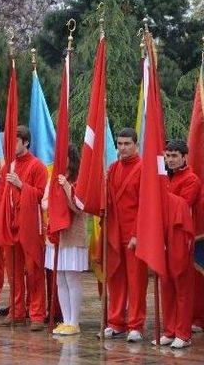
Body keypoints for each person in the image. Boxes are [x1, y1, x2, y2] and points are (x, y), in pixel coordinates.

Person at [0, 125, 48, 331]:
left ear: (25, 142)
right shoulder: (8, 166)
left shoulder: (38, 166)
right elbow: (0, 196)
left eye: (15, 141)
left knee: (33, 271)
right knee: (13, 272)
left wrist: (21, 185)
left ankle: (36, 314)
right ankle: (16, 312)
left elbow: (42, 196)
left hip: (30, 227)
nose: (11, 146)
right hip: (10, 226)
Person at [155, 139, 202, 348]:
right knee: (166, 285)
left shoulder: (192, 180)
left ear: (184, 157)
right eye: (168, 155)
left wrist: (157, 195)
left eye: (174, 156)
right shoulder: (164, 178)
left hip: (180, 237)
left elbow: (182, 205)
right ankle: (170, 330)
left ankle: (183, 333)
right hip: (163, 236)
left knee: (182, 285)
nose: (170, 160)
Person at [102, 128, 145, 342]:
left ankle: (135, 325)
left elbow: (145, 206)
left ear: (136, 144)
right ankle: (116, 322)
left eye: (127, 143)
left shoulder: (143, 168)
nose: (122, 148)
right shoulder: (112, 168)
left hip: (134, 236)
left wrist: (138, 234)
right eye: (119, 144)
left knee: (136, 282)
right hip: (114, 234)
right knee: (115, 280)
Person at [44, 144, 88, 336]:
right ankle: (66, 320)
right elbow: (44, 202)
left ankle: (74, 322)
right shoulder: (53, 178)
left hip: (73, 234)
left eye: (64, 158)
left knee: (71, 278)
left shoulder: (80, 179)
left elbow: (81, 206)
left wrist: (67, 187)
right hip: (56, 234)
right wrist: (52, 199)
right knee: (60, 279)